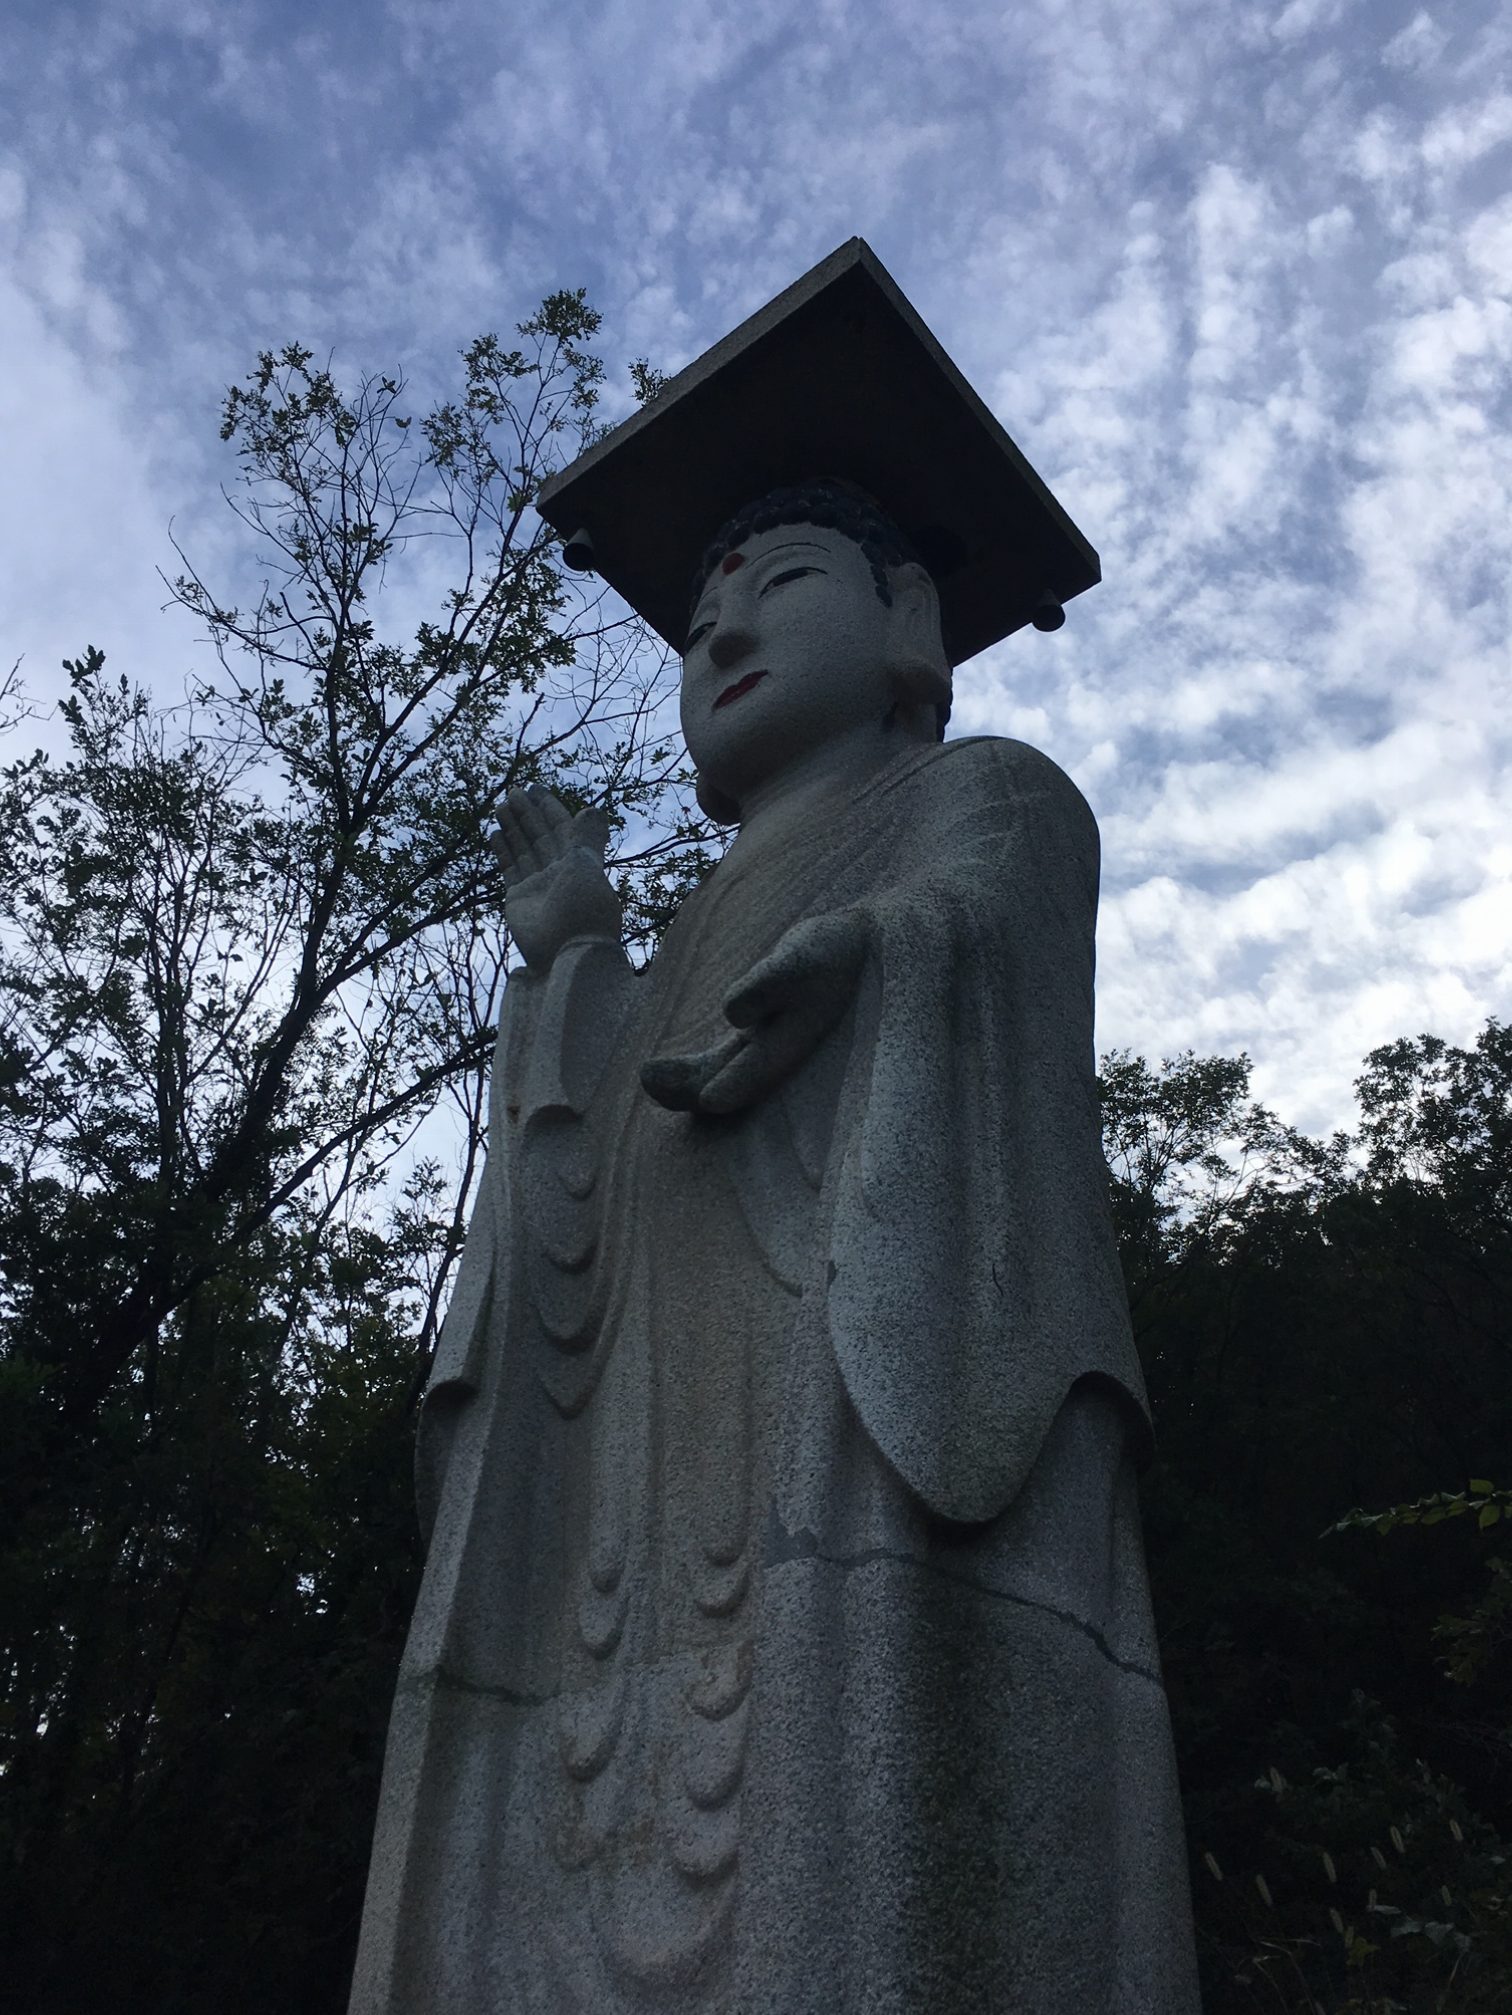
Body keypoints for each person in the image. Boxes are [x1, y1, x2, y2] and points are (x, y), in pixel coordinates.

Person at [347, 480, 1200, 2013]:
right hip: (642, 1458)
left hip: (857, 1395)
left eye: (781, 584)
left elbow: (985, 917)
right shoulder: (684, 929)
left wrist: (873, 952)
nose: (722, 631)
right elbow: (600, 1159)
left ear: (911, 623)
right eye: (692, 629)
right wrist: (577, 970)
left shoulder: (985, 794)